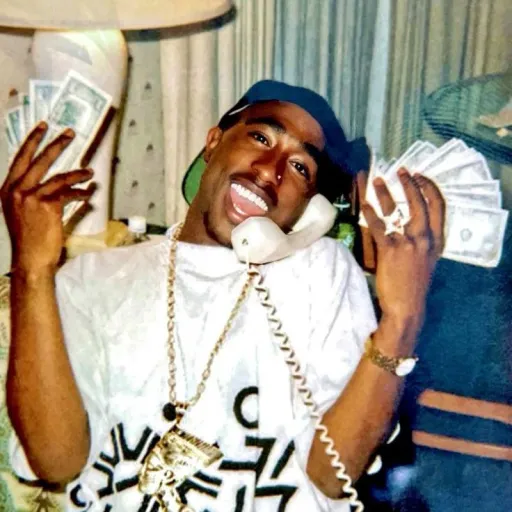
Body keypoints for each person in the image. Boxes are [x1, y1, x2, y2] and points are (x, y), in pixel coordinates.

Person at [0, 80, 445, 511]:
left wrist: (402, 320)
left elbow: (332, 475)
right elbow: (56, 462)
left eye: (299, 168)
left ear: (310, 209)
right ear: (213, 142)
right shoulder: (94, 277)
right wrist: (31, 270)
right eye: (260, 137)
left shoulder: (322, 271)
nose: (270, 170)